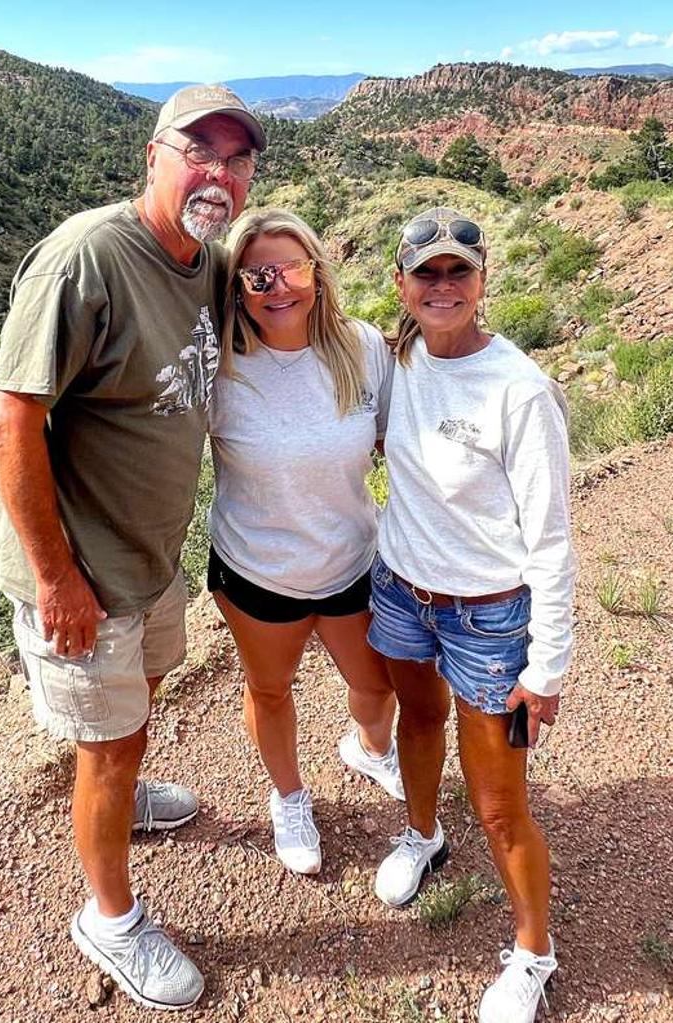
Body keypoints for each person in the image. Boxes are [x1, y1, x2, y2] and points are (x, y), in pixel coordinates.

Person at [0, 83, 265, 1012]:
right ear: (153, 157)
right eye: (199, 151)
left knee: (132, 710)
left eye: (236, 158)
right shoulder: (88, 258)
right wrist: (57, 578)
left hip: (146, 557)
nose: (218, 173)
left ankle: (123, 795)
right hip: (82, 574)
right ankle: (110, 919)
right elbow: (11, 421)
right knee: (105, 744)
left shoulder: (206, 262)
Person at [364, 207, 575, 1023]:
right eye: (428, 273)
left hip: (490, 619)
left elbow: (551, 540)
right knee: (418, 721)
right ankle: (422, 835)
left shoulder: (519, 389)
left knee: (498, 803)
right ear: (403, 285)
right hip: (401, 592)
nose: (443, 286)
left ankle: (533, 952)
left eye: (459, 271)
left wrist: (546, 665)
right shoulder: (398, 361)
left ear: (483, 281)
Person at [207, 209, 404, 877]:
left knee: (377, 684)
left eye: (291, 268)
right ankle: (289, 796)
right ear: (237, 289)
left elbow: (399, 441)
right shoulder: (220, 366)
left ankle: (371, 750)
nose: (277, 287)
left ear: (317, 273)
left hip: (352, 558)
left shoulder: (361, 347)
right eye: (256, 275)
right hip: (257, 569)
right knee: (269, 690)